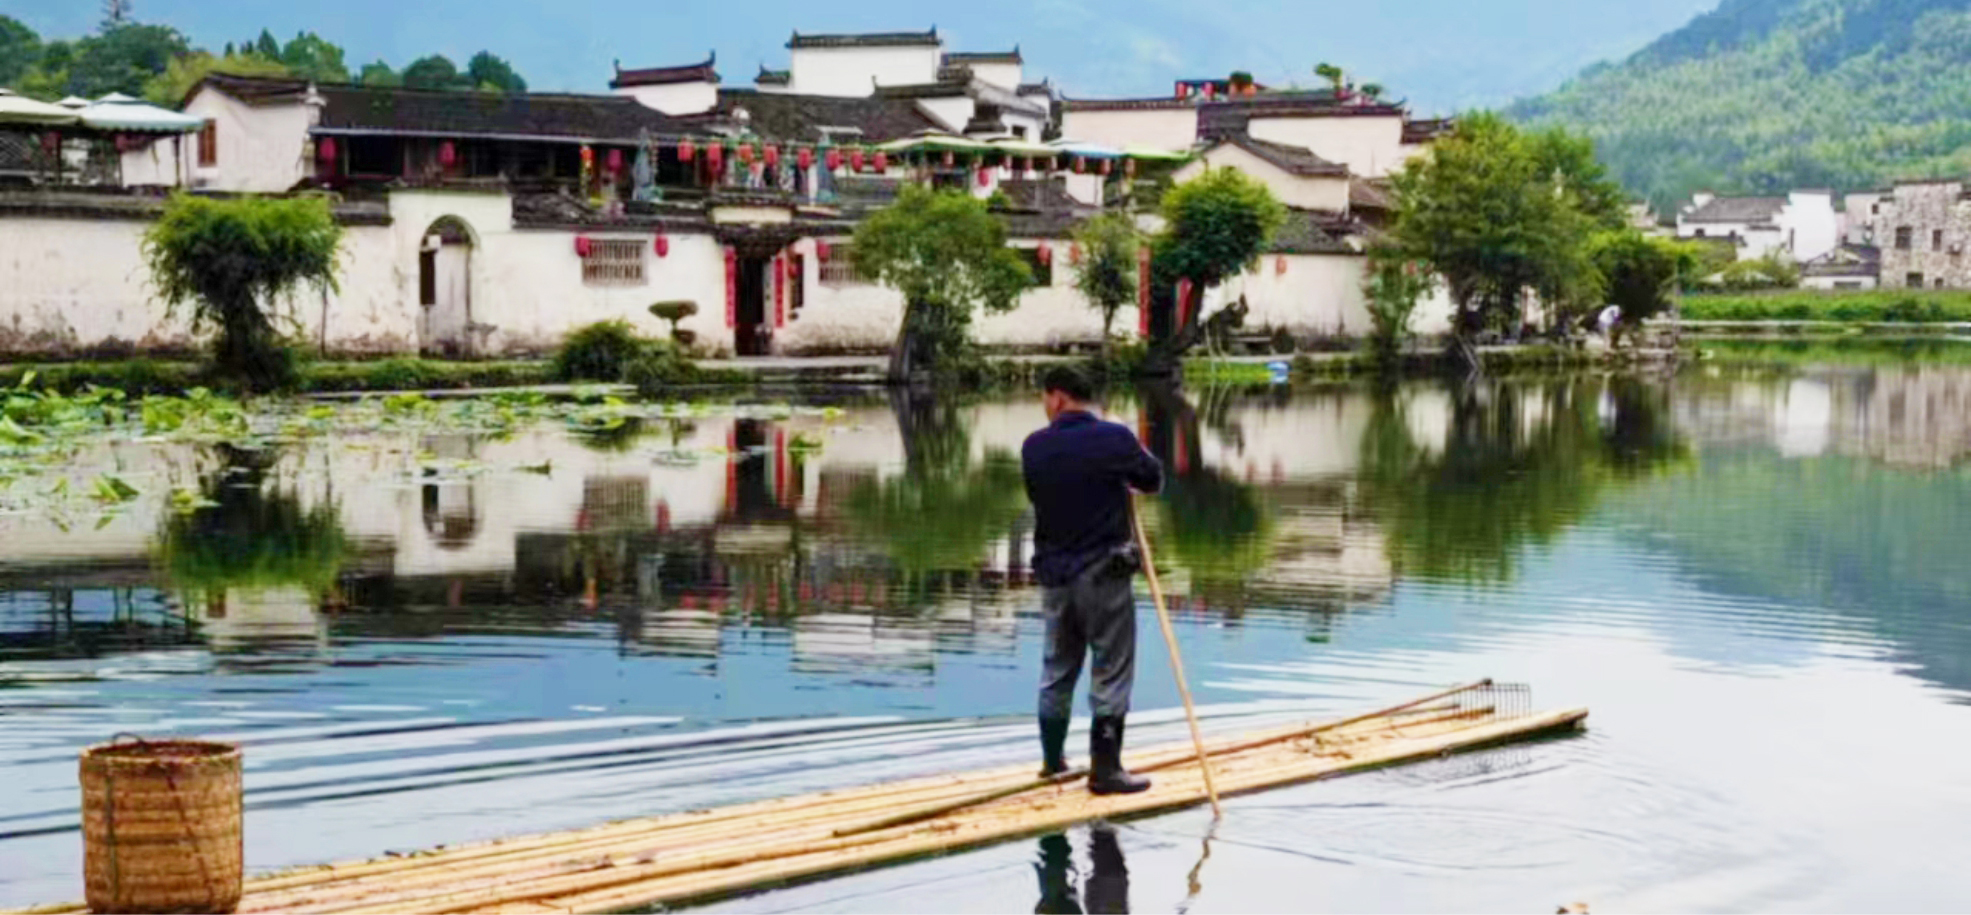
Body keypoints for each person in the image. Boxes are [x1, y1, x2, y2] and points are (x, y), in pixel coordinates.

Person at [1021, 365, 1163, 795]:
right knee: (1111, 668)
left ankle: (1053, 763)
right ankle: (1106, 770)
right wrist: (1125, 460)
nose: (1045, 406)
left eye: (1045, 399)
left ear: (1058, 397)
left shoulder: (1034, 447)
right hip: (1103, 574)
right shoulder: (1113, 438)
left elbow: (1043, 494)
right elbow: (1152, 479)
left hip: (1055, 576)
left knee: (1057, 668)